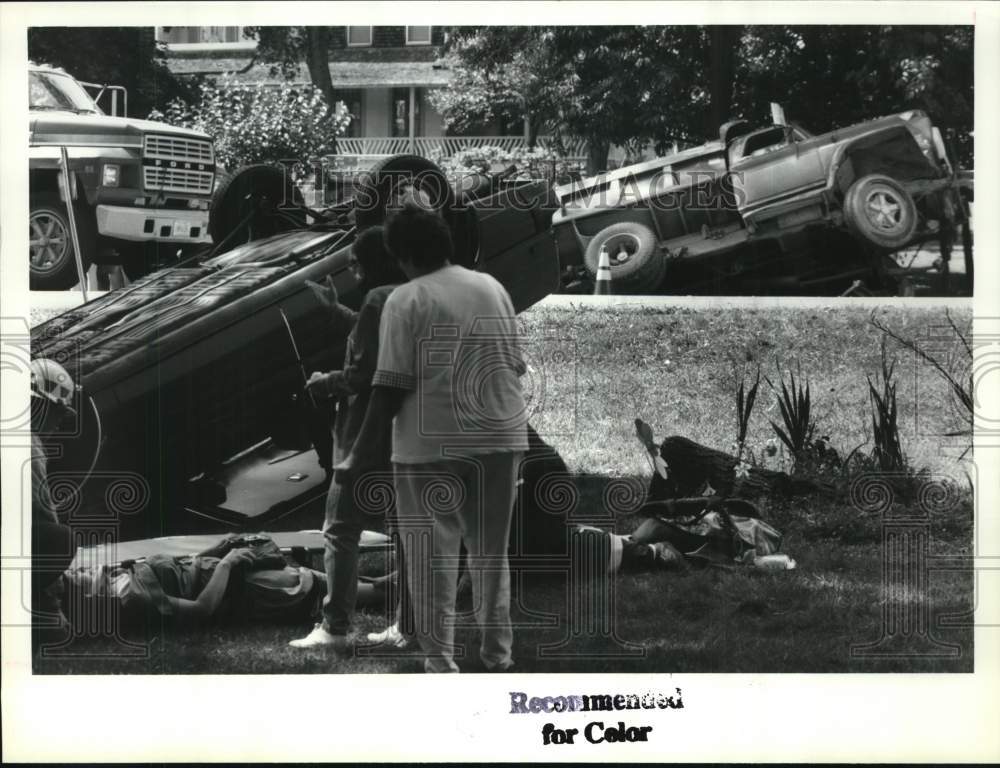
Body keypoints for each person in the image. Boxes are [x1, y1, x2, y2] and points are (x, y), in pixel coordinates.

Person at [339, 204, 528, 673]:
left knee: (431, 558)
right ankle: (497, 656)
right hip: (503, 434)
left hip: (431, 443)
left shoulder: (406, 300)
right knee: (489, 551)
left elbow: (389, 387)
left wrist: (357, 455)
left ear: (399, 253)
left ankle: (441, 665)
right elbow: (516, 363)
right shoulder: (492, 287)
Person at [289, 226, 414, 651]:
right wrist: (337, 310)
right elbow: (374, 338)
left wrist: (322, 383)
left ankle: (334, 627)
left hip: (364, 432)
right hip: (405, 432)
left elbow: (363, 374)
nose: (352, 271)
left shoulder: (379, 299)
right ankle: (407, 625)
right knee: (405, 531)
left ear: (372, 263)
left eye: (356, 264)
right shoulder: (407, 294)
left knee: (340, 530)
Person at [57, 533, 393, 628]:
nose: (79, 570)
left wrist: (215, 549)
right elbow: (202, 609)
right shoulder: (130, 598)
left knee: (347, 581)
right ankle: (417, 588)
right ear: (86, 598)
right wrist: (228, 564)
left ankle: (410, 584)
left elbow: (178, 568)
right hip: (249, 591)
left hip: (239, 576)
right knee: (343, 589)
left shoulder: (114, 578)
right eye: (76, 577)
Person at [30, 358, 80, 643]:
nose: (59, 425)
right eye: (58, 415)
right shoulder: (30, 447)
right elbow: (44, 519)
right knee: (60, 538)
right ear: (42, 406)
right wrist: (53, 608)